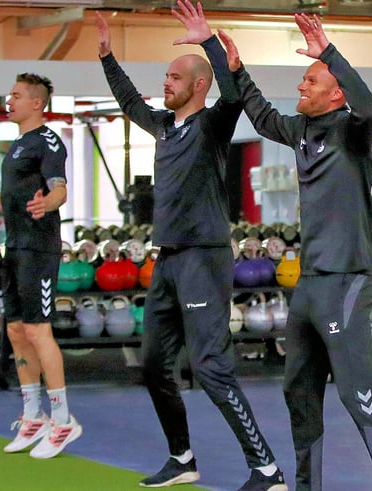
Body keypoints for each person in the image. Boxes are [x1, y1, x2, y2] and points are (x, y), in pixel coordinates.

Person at [94, 4, 287, 490]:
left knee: (211, 368)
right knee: (155, 364)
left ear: (198, 85)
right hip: (169, 258)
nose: (167, 82)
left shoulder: (212, 124)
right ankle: (182, 458)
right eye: (166, 75)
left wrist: (208, 44)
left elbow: (235, 93)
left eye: (175, 76)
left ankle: (266, 470)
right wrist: (107, 58)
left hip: (205, 255)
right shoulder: (164, 126)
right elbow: (129, 104)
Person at [218, 15, 372, 491]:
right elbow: (260, 116)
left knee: (355, 388)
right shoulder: (302, 129)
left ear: (336, 93)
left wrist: (330, 53)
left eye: (312, 79)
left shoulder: (353, 132)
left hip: (347, 277)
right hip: (310, 281)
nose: (302, 83)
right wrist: (233, 68)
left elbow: (369, 108)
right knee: (297, 389)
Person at [0, 73, 81, 459]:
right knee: (18, 331)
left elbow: (60, 188)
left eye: (17, 95)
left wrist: (49, 204)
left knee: (39, 332)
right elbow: (8, 198)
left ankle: (63, 421)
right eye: (10, 94)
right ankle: (32, 416)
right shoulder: (18, 146)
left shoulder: (48, 141)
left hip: (40, 248)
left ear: (36, 102)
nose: (10, 100)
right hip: (16, 247)